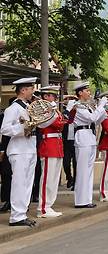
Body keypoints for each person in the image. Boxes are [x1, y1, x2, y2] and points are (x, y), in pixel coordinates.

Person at [0, 77, 38, 227]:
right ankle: (16, 216)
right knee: (19, 183)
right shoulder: (13, 108)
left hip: (29, 148)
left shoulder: (28, 107)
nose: (32, 92)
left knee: (28, 183)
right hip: (19, 150)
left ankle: (22, 214)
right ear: (23, 90)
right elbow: (4, 129)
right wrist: (23, 129)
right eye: (30, 89)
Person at [72, 82, 108, 208]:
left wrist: (103, 110)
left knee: (89, 170)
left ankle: (87, 199)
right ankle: (80, 201)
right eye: (87, 90)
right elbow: (92, 118)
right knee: (83, 171)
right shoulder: (78, 106)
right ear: (80, 93)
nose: (89, 92)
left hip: (89, 136)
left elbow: (96, 121)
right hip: (82, 137)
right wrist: (101, 106)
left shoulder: (86, 106)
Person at [36, 86, 67, 218]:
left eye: (54, 96)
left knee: (53, 178)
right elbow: (57, 124)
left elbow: (62, 122)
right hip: (48, 145)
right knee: (47, 178)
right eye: (52, 95)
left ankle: (49, 205)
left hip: (57, 145)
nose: (54, 98)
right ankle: (43, 208)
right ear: (45, 97)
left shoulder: (54, 110)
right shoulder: (43, 110)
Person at [62, 95, 77, 189]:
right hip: (66, 142)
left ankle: (75, 181)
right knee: (66, 163)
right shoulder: (65, 113)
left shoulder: (79, 113)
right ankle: (69, 177)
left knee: (76, 163)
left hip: (76, 141)